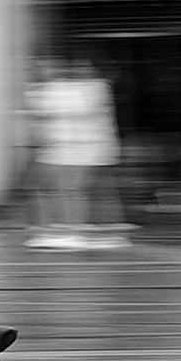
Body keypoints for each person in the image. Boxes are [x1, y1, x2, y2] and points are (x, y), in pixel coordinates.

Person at [24, 53, 126, 249]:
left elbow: (56, 112)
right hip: (72, 149)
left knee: (74, 191)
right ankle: (73, 228)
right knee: (73, 190)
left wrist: (37, 100)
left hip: (82, 149)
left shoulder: (88, 88)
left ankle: (76, 230)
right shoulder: (76, 88)